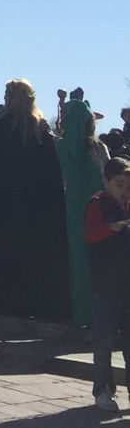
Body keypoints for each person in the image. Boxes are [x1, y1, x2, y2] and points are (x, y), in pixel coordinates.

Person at [0, 78, 70, 323]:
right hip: (26, 203)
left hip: (4, 203)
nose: (7, 97)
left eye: (11, 93)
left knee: (3, 253)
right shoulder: (35, 129)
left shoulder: (6, 127)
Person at [56, 93, 106, 327]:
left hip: (72, 208)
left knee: (76, 260)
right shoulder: (97, 147)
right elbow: (108, 175)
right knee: (98, 261)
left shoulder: (62, 146)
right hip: (98, 207)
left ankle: (79, 312)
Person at [85, 156, 130, 412]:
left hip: (127, 285)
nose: (124, 191)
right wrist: (111, 228)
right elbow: (89, 233)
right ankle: (103, 389)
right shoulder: (97, 204)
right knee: (104, 340)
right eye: (120, 185)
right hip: (105, 285)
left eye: (128, 186)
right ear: (107, 182)